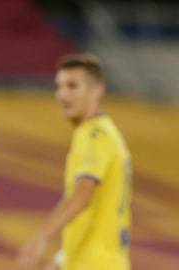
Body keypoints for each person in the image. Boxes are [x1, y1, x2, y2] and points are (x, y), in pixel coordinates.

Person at [17, 53, 132, 270]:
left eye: (72, 86)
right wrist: (60, 262)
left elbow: (82, 196)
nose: (62, 94)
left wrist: (41, 236)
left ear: (97, 90)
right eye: (59, 86)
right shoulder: (105, 134)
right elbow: (94, 215)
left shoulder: (94, 136)